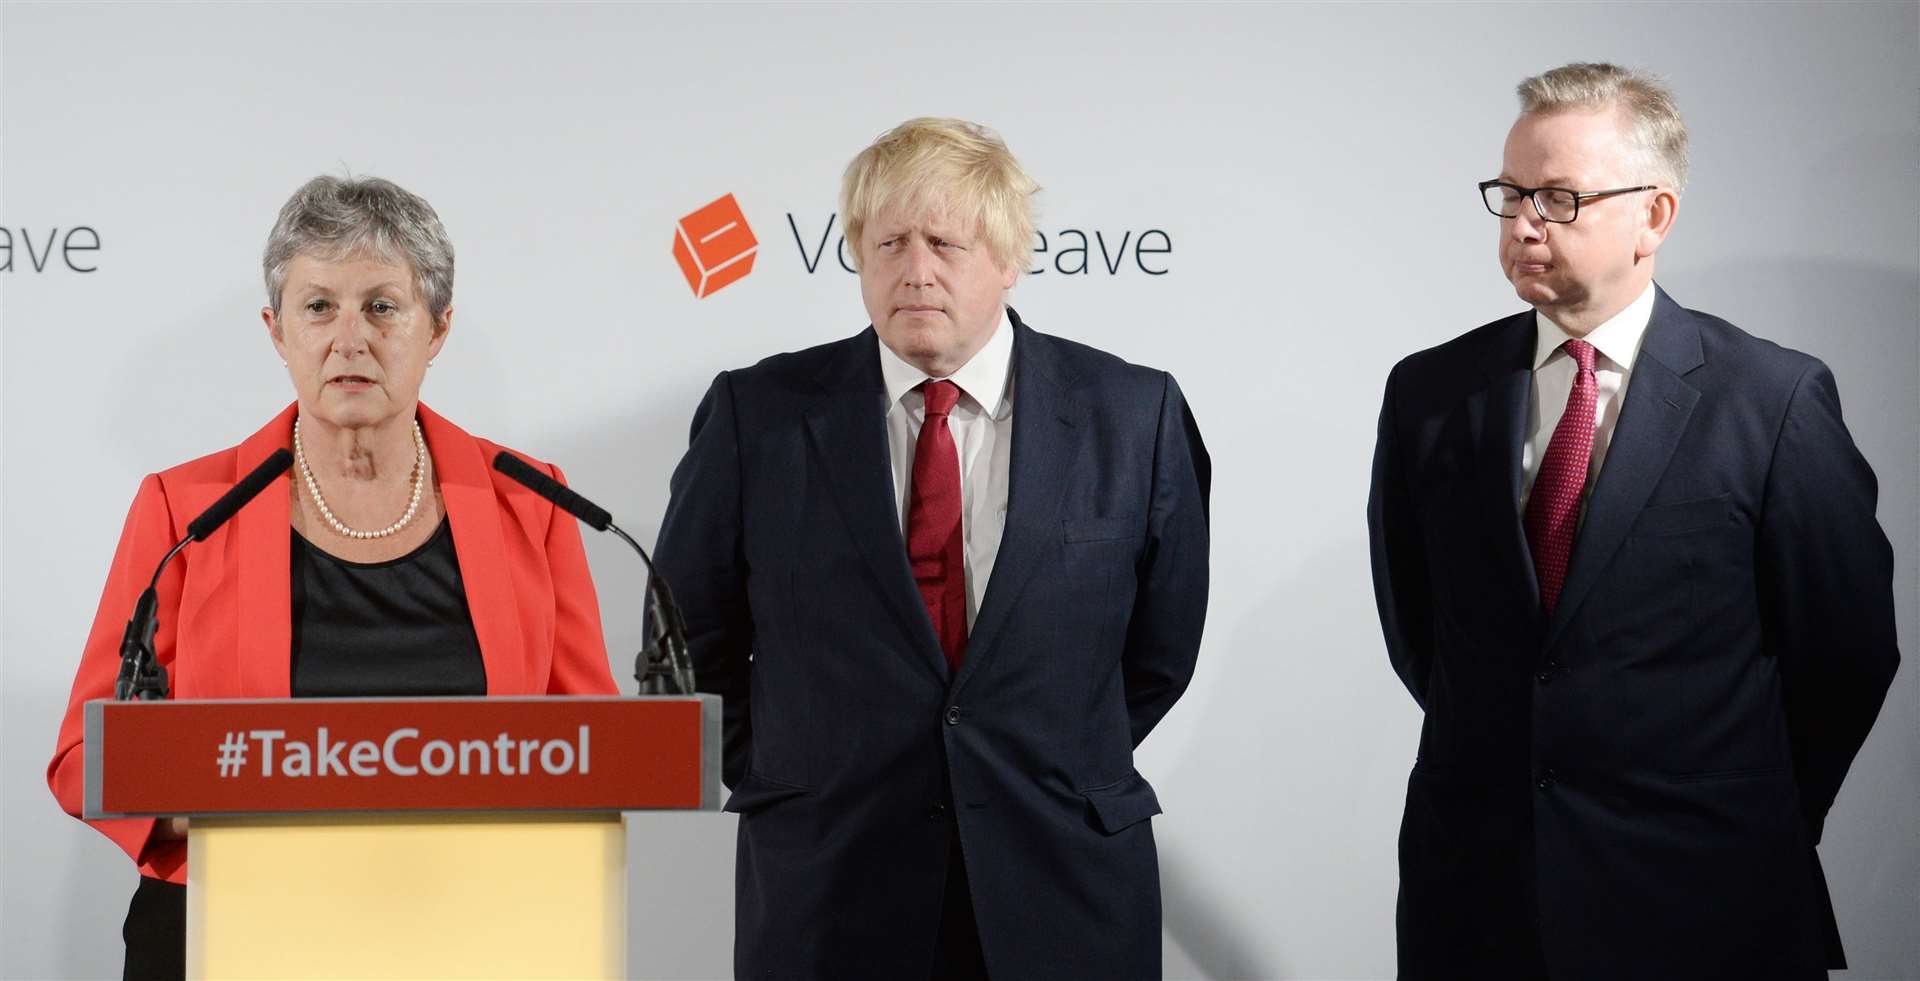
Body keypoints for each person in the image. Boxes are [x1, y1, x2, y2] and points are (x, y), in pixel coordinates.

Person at [1368, 63, 1900, 980]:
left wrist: (1748, 814)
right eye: (1510, 193)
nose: (1523, 222)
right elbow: (1423, 634)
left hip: (1707, 900)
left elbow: (1846, 653)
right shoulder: (1430, 392)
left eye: (1559, 197)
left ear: (1655, 215)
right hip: (1479, 903)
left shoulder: (1770, 399)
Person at [653, 117, 1210, 979]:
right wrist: (796, 775)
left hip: (1061, 888)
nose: (915, 271)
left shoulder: (1133, 415)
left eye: (945, 243)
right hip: (828, 890)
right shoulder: (755, 415)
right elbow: (688, 646)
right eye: (889, 243)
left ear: (1009, 256)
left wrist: (1043, 757)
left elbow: (1159, 652)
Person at [47, 175, 619, 979]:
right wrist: (232, 803)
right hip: (228, 923)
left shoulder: (531, 499)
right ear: (277, 330)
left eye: (383, 306)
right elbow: (82, 754)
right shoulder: (185, 510)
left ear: (439, 328)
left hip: (472, 929)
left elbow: (594, 747)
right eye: (318, 306)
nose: (349, 338)